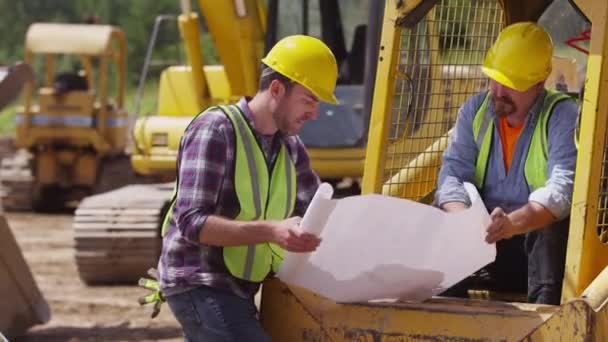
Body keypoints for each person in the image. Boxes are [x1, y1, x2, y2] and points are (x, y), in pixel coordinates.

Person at [156, 35, 338, 341]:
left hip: (239, 288)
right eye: (309, 99)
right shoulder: (216, 130)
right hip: (199, 281)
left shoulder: (290, 149)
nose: (315, 113)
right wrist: (272, 231)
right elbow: (190, 222)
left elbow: (318, 215)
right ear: (277, 89)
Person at [435, 22, 578, 305]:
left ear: (539, 83)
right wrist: (465, 219)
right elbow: (452, 173)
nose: (498, 91)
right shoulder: (474, 111)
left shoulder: (562, 115)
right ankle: (440, 318)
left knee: (549, 229)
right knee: (439, 216)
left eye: (512, 84)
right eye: (494, 78)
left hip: (531, 251)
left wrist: (511, 224)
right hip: (482, 244)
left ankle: (544, 323)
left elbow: (561, 191)